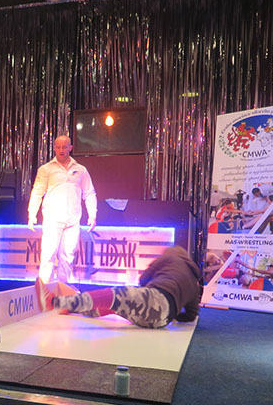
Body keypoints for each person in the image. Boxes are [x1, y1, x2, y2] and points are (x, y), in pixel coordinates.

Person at [36, 246, 201, 329]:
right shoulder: (194, 283)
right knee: (115, 305)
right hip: (162, 320)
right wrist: (175, 314)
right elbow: (191, 315)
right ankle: (71, 308)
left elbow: (144, 278)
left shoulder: (171, 258)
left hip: (156, 299)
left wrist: (148, 288)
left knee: (112, 295)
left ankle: (54, 302)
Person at [28, 135, 97, 284]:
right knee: (48, 255)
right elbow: (37, 192)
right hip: (53, 219)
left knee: (67, 257)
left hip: (72, 220)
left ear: (70, 148)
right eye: (58, 147)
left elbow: (89, 193)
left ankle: (62, 291)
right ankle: (45, 291)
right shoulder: (46, 169)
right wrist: (32, 214)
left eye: (64, 147)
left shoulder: (80, 169)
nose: (61, 150)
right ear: (54, 148)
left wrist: (92, 215)